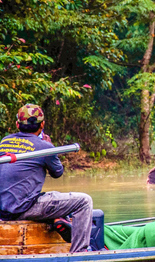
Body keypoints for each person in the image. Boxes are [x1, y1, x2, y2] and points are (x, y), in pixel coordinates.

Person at [0, 104, 93, 252]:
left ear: (17, 124)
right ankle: (80, 252)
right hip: (23, 208)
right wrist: (51, 147)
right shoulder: (45, 147)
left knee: (52, 196)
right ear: (42, 124)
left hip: (3, 209)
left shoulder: (4, 141)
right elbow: (57, 172)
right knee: (84, 201)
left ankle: (57, 220)